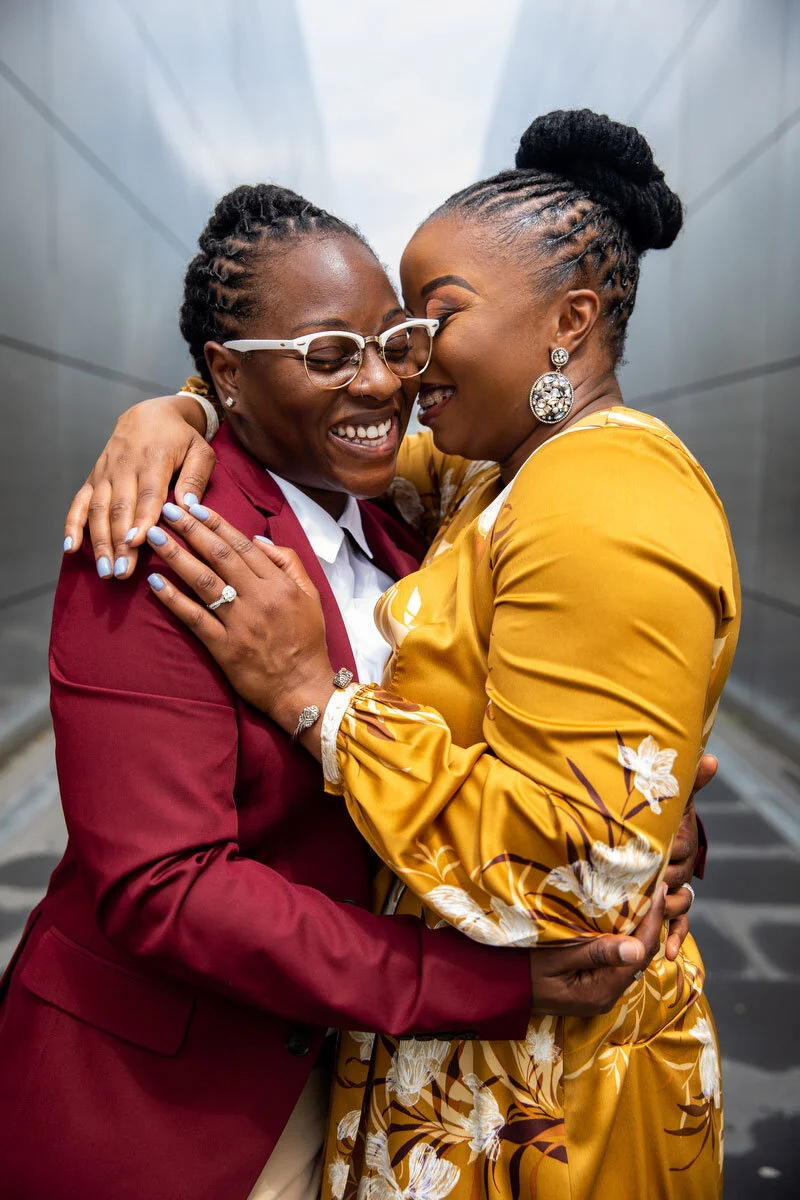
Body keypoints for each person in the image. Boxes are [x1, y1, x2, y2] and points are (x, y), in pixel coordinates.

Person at [0, 182, 701, 1200]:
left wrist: (641, 816)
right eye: (330, 355)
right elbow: (168, 887)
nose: (381, 385)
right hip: (184, 1099)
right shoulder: (157, 536)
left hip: (373, 1076)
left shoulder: (414, 514)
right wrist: (480, 984)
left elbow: (532, 735)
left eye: (398, 341)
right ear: (229, 377)